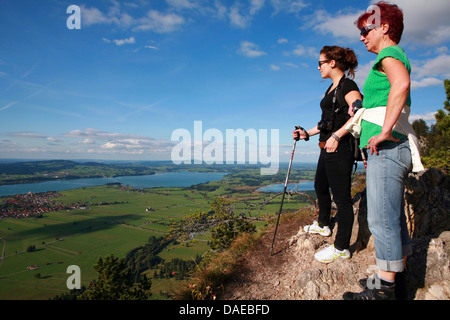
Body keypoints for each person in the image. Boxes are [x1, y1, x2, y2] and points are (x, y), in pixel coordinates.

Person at [343, 1, 424, 300]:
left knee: (381, 219)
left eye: (366, 30)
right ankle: (394, 281)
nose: (362, 37)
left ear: (384, 27)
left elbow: (401, 84)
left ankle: (384, 291)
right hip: (393, 148)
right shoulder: (393, 56)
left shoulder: (389, 54)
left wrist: (385, 130)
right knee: (393, 217)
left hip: (388, 147)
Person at [293, 46, 362, 264]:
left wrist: (337, 136)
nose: (318, 67)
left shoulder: (347, 86)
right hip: (327, 146)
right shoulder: (331, 89)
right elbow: (326, 122)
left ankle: (342, 247)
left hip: (339, 148)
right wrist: (307, 134)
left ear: (332, 62)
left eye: (320, 63)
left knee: (342, 199)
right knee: (320, 186)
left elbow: (360, 111)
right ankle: (324, 225)